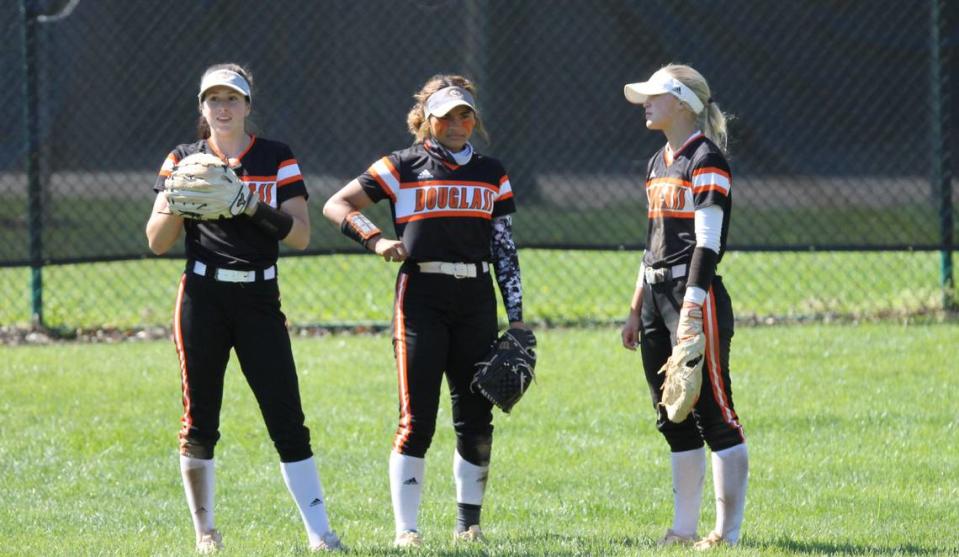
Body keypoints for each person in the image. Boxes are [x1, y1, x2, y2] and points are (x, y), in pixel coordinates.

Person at [323, 74, 529, 548]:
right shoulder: (403, 165)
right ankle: (407, 531)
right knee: (417, 418)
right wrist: (373, 240)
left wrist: (515, 316)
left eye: (465, 115)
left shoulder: (491, 171)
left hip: (477, 299)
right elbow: (338, 204)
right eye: (446, 116)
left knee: (476, 415)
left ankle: (468, 525)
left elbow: (504, 246)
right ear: (426, 120)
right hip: (421, 297)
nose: (457, 124)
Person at [145, 63, 342, 553]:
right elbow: (156, 241)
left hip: (259, 299)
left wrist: (245, 201)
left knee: (286, 418)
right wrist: (178, 197)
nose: (223, 108)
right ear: (201, 107)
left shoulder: (276, 157)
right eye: (213, 99)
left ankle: (320, 534)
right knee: (199, 419)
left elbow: (299, 235)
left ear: (249, 106)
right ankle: (205, 533)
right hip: (202, 298)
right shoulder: (183, 157)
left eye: (232, 99)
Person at [619, 64, 749, 551]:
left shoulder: (705, 159)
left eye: (655, 96)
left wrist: (692, 307)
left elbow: (707, 243)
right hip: (656, 298)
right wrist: (635, 308)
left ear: (682, 102)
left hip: (693, 298)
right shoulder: (657, 162)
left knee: (715, 412)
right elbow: (652, 243)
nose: (646, 103)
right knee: (671, 413)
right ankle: (683, 529)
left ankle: (728, 534)